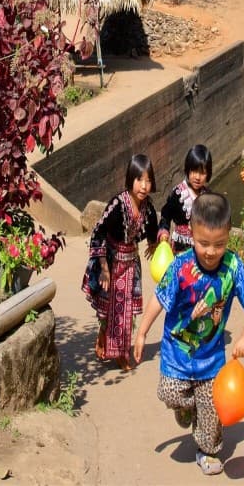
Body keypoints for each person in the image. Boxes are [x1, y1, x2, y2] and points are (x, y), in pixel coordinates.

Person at [133, 192, 244, 476]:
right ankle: (188, 409)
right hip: (176, 352)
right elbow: (159, 299)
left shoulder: (233, 266)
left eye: (219, 244)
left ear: (229, 236)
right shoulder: (180, 268)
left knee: (212, 409)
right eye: (203, 243)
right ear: (191, 233)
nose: (211, 251)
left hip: (211, 357)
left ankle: (208, 450)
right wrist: (142, 332)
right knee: (169, 393)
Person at [82, 153, 160, 370]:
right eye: (139, 180)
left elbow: (154, 229)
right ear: (130, 179)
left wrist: (155, 244)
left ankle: (122, 353)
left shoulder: (149, 208)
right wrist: (104, 269)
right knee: (108, 308)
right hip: (112, 260)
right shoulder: (118, 204)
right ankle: (103, 335)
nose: (144, 186)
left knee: (127, 310)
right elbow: (98, 231)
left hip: (131, 263)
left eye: (148, 180)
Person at [158, 144, 212, 255]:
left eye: (202, 173)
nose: (197, 177)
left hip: (201, 248)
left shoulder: (208, 196)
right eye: (194, 171)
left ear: (208, 174)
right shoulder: (178, 194)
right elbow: (166, 214)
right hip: (180, 248)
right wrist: (164, 232)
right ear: (187, 170)